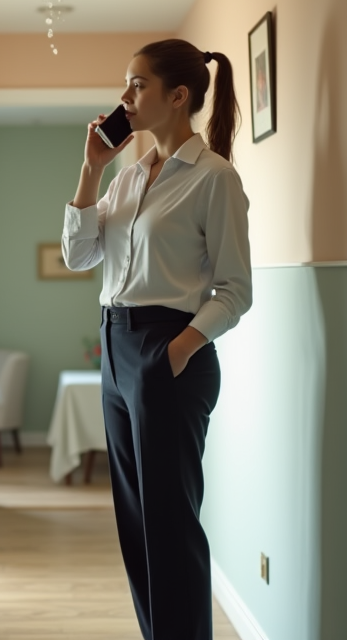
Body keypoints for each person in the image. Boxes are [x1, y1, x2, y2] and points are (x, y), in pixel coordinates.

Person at [61, 39, 253, 640]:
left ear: (178, 96)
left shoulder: (214, 178)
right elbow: (78, 254)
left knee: (170, 526)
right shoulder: (124, 177)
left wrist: (175, 351)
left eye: (137, 85)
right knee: (136, 525)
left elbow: (235, 290)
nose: (125, 98)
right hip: (116, 348)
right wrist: (92, 167)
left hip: (168, 351)